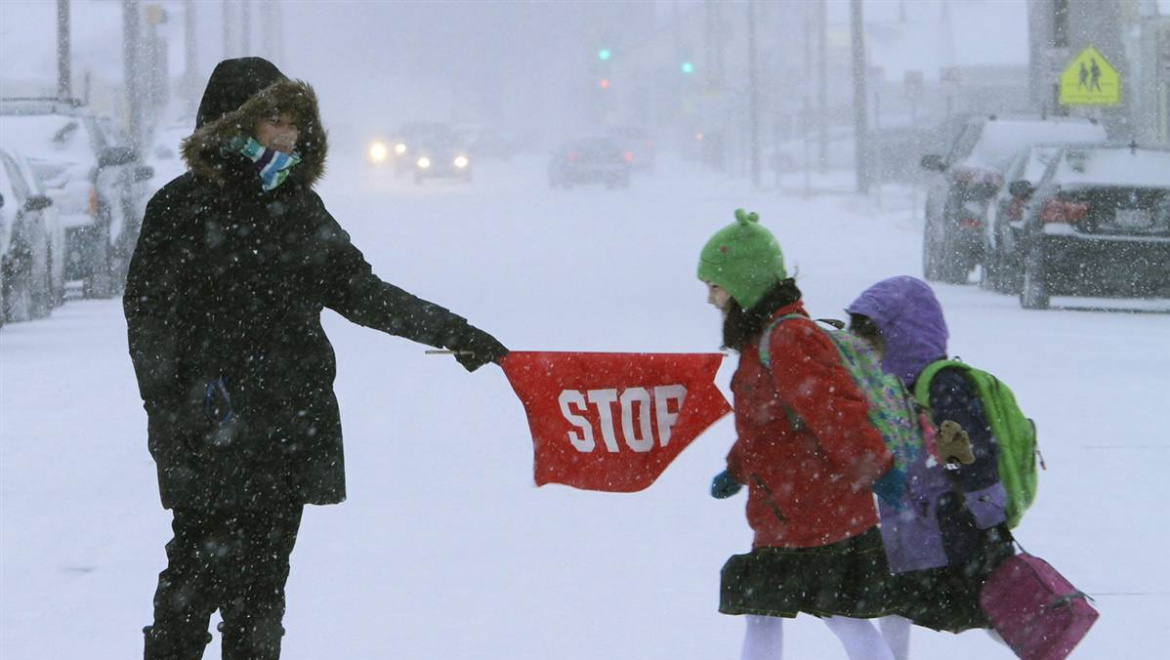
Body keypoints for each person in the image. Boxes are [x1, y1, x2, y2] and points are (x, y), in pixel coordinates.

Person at [124, 57, 508, 660]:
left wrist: (456, 331)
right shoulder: (180, 208)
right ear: (232, 125)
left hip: (285, 429)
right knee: (191, 586)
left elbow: (361, 292)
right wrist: (180, 411)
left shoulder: (297, 209)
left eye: (294, 122)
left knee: (262, 595)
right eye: (270, 120)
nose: (285, 134)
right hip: (210, 431)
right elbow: (148, 323)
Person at [699, 209, 905, 660]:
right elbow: (765, 425)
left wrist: (878, 470)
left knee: (837, 616)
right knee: (769, 612)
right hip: (787, 508)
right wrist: (735, 470)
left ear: (744, 283)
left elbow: (838, 416)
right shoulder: (762, 341)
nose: (712, 298)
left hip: (815, 509)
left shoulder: (790, 339)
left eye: (716, 285)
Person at [846, 276, 1014, 639]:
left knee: (1001, 614)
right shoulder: (890, 390)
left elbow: (968, 455)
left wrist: (989, 516)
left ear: (899, 335)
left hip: (955, 528)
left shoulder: (942, 384)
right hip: (911, 531)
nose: (866, 351)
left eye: (871, 339)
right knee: (895, 609)